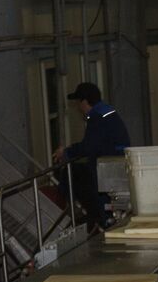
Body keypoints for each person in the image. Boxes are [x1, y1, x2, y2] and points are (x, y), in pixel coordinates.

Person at [53, 82, 130, 230]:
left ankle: (102, 220)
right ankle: (103, 219)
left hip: (107, 167)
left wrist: (66, 152)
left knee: (74, 177)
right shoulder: (108, 112)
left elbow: (89, 146)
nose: (78, 107)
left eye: (78, 102)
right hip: (117, 162)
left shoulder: (97, 118)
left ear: (84, 101)